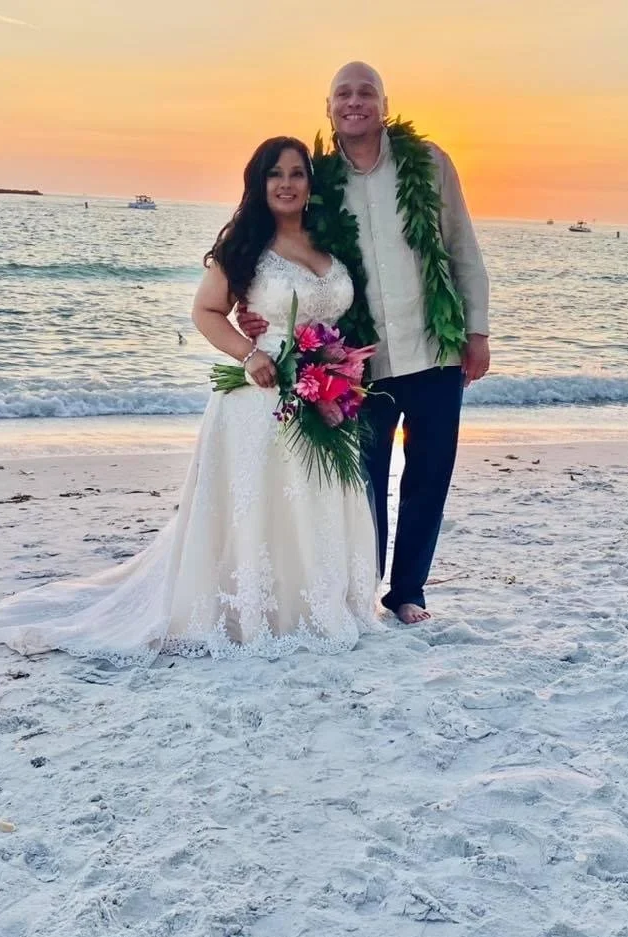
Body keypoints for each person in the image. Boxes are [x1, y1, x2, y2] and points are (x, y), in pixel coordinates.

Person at [0, 137, 379, 664]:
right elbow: (206, 312)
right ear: (259, 183)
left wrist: (341, 368)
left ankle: (316, 603)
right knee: (261, 506)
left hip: (325, 396)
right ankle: (256, 611)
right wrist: (250, 354)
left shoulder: (327, 242)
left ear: (311, 182)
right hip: (260, 399)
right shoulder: (246, 247)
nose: (286, 183)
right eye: (275, 174)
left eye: (296, 173)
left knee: (312, 498)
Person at [239, 63, 490, 625]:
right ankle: (361, 587)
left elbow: (462, 248)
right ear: (328, 108)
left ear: (383, 102)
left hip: (436, 349)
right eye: (343, 94)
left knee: (429, 473)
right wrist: (252, 304)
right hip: (356, 361)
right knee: (362, 481)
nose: (355, 102)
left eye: (365, 92)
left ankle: (409, 593)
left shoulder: (429, 163)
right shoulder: (319, 179)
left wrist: (478, 331)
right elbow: (281, 242)